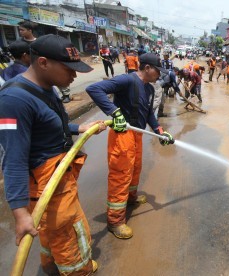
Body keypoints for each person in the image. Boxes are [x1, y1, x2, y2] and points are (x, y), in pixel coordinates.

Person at [0, 34, 105, 275]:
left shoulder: (47, 88)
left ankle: (51, 265)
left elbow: (50, 124)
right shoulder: (12, 101)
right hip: (46, 185)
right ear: (43, 63)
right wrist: (19, 213)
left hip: (58, 178)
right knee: (70, 232)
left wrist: (79, 128)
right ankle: (79, 270)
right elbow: (12, 160)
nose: (74, 75)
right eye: (69, 69)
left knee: (51, 231)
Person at [86, 53, 175, 239]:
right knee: (121, 176)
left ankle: (131, 199)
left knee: (135, 170)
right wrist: (115, 113)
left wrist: (159, 131)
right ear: (148, 68)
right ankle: (115, 221)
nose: (160, 75)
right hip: (122, 136)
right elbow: (94, 89)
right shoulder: (127, 80)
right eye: (158, 71)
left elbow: (149, 113)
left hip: (137, 134)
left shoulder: (149, 89)